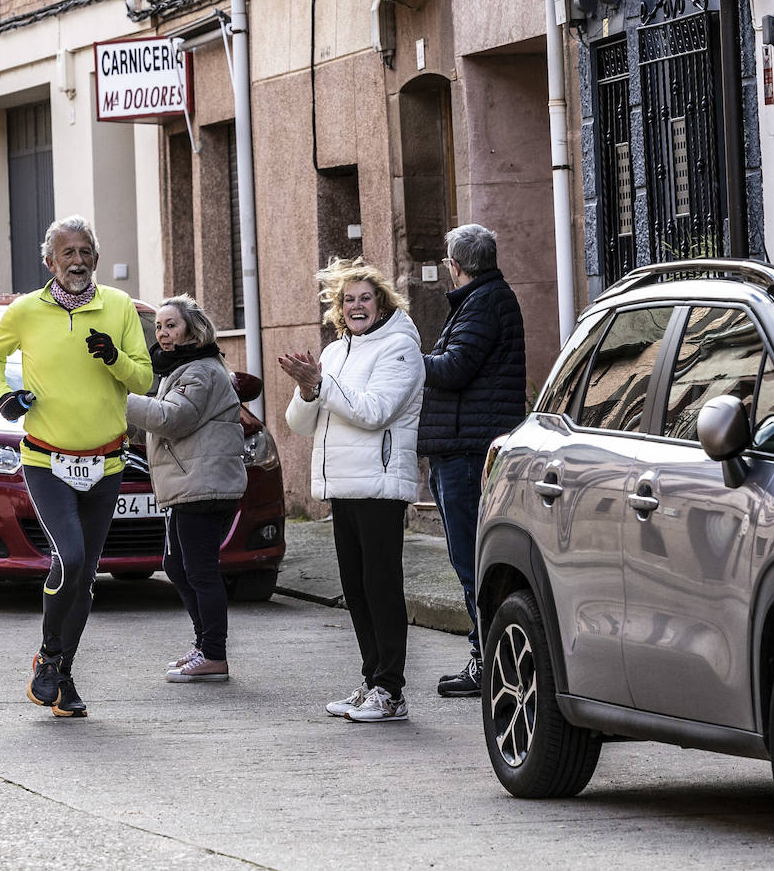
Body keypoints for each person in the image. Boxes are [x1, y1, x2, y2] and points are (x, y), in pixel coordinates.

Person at [0, 215, 153, 718]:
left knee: (86, 574)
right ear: (50, 262)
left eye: (85, 253)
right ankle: (50, 656)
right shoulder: (25, 311)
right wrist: (4, 397)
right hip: (46, 460)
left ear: (96, 259)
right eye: (67, 253)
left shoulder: (118, 306)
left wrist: (114, 358)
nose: (77, 262)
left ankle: (60, 672)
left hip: (107, 462)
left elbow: (143, 379)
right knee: (71, 558)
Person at [279, 257, 424, 723]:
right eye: (348, 300)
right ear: (338, 308)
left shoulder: (400, 348)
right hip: (343, 486)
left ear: (382, 303)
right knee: (357, 591)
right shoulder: (335, 351)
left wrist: (320, 384)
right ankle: (372, 681)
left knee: (382, 589)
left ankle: (391, 691)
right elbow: (299, 423)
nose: (356, 306)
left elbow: (374, 411)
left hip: (379, 487)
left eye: (365, 298)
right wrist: (307, 390)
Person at [419, 223, 526, 698]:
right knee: (472, 561)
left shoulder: (484, 302)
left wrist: (409, 358)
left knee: (472, 564)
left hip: (467, 452)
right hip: (463, 446)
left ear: (455, 265)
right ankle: (488, 659)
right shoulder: (484, 299)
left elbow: (454, 368)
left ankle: (489, 664)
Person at [125, 295, 246, 683]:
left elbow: (172, 419)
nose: (162, 333)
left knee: (200, 571)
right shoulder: (179, 370)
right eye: (159, 326)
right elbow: (159, 426)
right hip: (189, 484)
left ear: (193, 331)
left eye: (171, 325)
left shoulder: (200, 371)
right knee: (176, 566)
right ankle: (204, 645)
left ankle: (214, 654)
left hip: (205, 486)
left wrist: (118, 399)